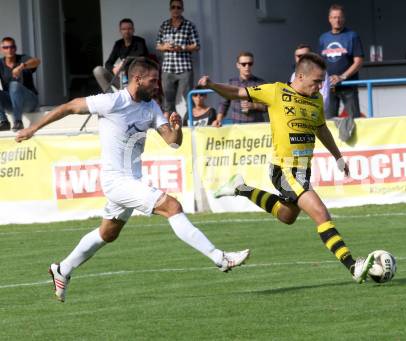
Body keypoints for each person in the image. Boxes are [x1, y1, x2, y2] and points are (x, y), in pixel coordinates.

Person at [15, 58, 250, 302]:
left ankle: (62, 269)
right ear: (138, 79)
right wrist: (33, 129)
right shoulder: (112, 101)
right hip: (116, 181)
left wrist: (176, 127)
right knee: (172, 207)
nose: (157, 85)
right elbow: (70, 106)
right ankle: (220, 258)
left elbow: (173, 142)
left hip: (133, 180)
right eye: (153, 80)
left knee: (108, 233)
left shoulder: (151, 107)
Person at [198, 52, 374, 284]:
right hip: (284, 169)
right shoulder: (276, 91)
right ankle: (353, 266)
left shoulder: (316, 100)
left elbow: (321, 129)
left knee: (286, 215)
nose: (320, 86)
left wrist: (338, 157)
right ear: (300, 76)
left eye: (322, 81)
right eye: (316, 81)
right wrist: (211, 85)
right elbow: (236, 92)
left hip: (303, 170)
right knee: (321, 214)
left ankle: (241, 188)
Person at [156, 0, 200, 120]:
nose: (176, 9)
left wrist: (182, 48)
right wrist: (165, 47)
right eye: (173, 7)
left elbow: (196, 46)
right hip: (168, 68)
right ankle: (171, 124)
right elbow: (158, 45)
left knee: (188, 98)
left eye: (178, 7)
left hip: (184, 68)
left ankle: (188, 122)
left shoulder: (189, 25)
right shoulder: (164, 25)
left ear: (182, 9)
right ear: (170, 9)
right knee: (168, 100)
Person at [319, 4, 364, 120]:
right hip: (329, 87)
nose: (337, 20)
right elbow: (319, 63)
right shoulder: (323, 38)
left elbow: (358, 62)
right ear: (329, 19)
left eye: (339, 17)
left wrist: (342, 77)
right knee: (328, 122)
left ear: (344, 18)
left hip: (348, 86)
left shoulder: (352, 36)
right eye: (334, 17)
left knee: (354, 121)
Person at [93, 18, 149, 92]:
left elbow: (141, 56)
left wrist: (123, 62)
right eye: (124, 29)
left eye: (129, 28)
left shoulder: (140, 42)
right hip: (122, 78)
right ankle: (110, 96)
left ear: (133, 30)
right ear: (120, 31)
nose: (127, 31)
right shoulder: (118, 44)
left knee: (125, 69)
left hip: (136, 79)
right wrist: (114, 69)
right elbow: (108, 63)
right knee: (98, 70)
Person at [214, 51, 267, 126]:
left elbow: (268, 106)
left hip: (257, 127)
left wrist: (254, 106)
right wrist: (218, 120)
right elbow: (224, 104)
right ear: (238, 65)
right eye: (243, 64)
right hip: (238, 128)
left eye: (250, 64)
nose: (247, 67)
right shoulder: (231, 82)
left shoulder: (260, 83)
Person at [0, 37, 40, 131]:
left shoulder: (22, 59)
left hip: (29, 102)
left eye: (12, 47)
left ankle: (18, 121)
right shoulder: (0, 63)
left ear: (15, 48)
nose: (9, 50)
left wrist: (22, 67)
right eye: (6, 47)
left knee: (14, 85)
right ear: (1, 49)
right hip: (11, 103)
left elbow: (37, 61)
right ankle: (4, 122)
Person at [290, 43, 330, 115]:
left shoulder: (320, 73)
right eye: (299, 56)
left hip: (316, 116)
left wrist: (314, 114)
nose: (302, 58)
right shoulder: (293, 75)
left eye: (305, 55)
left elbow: (324, 98)